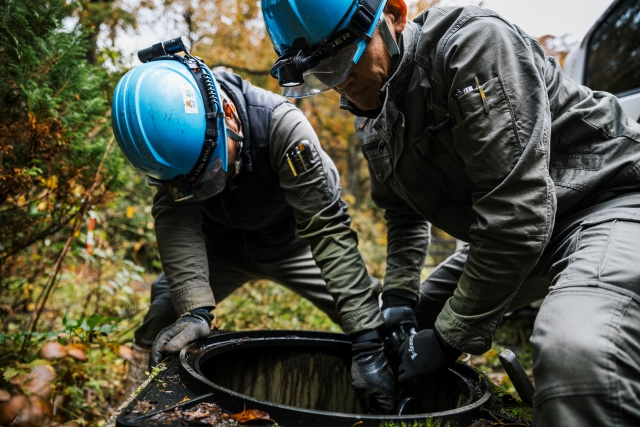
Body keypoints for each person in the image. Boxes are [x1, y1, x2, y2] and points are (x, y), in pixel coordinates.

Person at [262, 0, 640, 425]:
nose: (342, 84)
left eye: (346, 61)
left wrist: (447, 339)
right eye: (324, 73)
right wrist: (399, 300)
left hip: (606, 202)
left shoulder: (472, 45)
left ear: (395, 14)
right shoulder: (371, 105)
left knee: (577, 352)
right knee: (404, 332)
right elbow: (403, 214)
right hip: (525, 229)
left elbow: (517, 213)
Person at [111, 38, 409, 413]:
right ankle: (136, 397)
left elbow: (328, 230)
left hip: (295, 244)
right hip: (221, 247)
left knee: (372, 323)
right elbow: (176, 219)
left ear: (228, 116)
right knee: (165, 311)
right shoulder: (170, 152)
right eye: (193, 183)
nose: (207, 186)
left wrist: (366, 339)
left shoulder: (283, 127)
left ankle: (404, 399)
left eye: (213, 170)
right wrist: (195, 310)